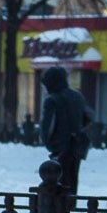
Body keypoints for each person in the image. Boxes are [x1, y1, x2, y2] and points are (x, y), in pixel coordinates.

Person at [40, 66, 94, 196]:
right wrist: (77, 130)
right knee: (72, 178)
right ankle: (70, 202)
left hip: (60, 148)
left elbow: (47, 127)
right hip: (76, 146)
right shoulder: (77, 96)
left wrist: (50, 144)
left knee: (57, 180)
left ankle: (59, 205)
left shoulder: (51, 100)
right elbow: (89, 117)